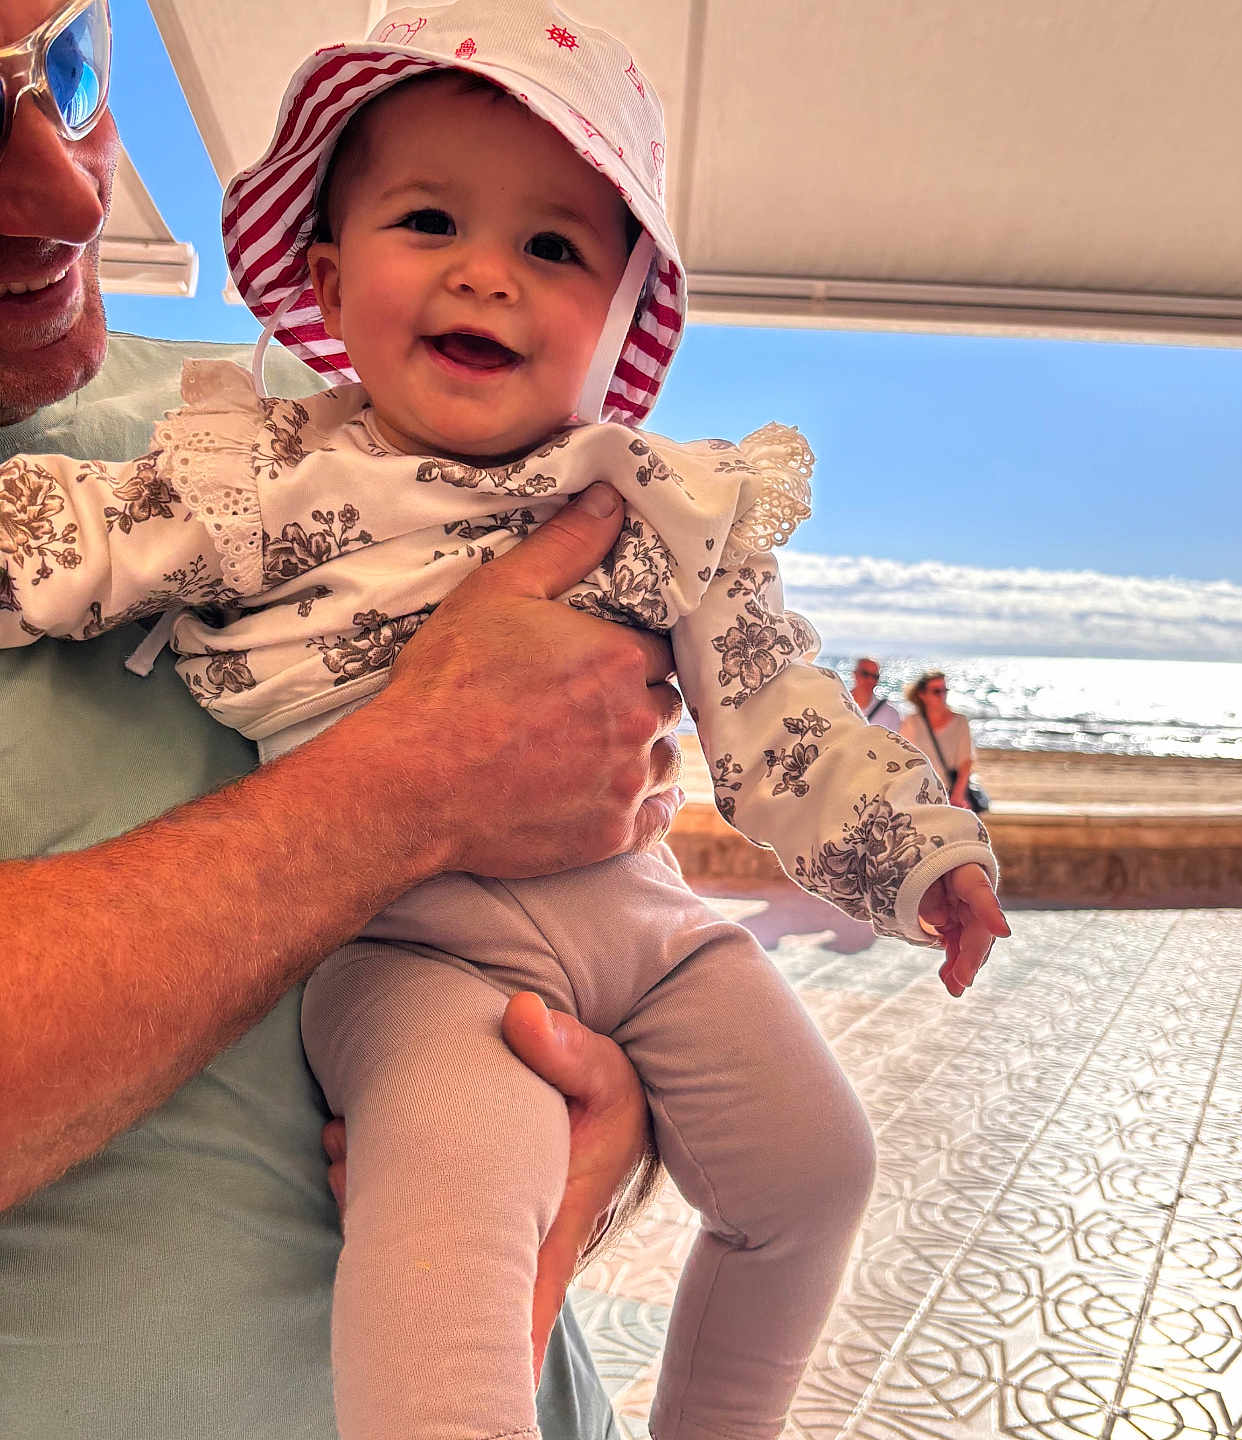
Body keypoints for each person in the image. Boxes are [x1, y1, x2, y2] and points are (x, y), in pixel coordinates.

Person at [0, 3, 1010, 1436]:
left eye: (554, 248)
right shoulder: (257, 476)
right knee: (453, 1201)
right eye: (430, 223)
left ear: (619, 327)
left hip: (644, 928)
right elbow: (88, 549)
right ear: (332, 281)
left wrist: (921, 854)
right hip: (423, 957)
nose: (487, 276)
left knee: (815, 1168)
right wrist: (415, 778)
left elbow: (774, 705)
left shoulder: (654, 498)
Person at [0, 0, 678, 1435]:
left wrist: (608, 1092)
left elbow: (596, 796)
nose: (70, 185)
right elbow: (462, 769)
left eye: (63, 67)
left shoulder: (297, 429)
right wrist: (403, 790)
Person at [902, 669, 984, 811]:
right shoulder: (912, 722)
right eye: (936, 691)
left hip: (950, 796)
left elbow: (966, 762)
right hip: (919, 795)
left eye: (944, 690)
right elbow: (904, 759)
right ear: (922, 695)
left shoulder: (960, 722)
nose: (942, 695)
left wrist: (957, 795)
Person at [849, 655, 902, 729]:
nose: (870, 680)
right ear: (854, 674)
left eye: (875, 676)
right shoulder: (837, 704)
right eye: (865, 674)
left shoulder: (891, 714)